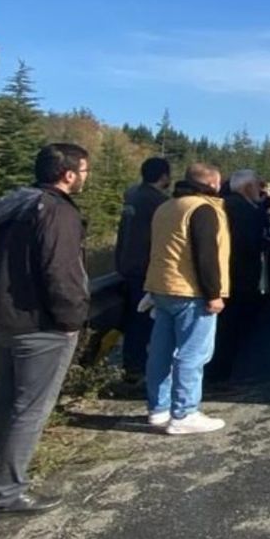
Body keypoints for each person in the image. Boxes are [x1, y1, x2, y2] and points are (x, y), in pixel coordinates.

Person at [0, 144, 91, 521]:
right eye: (83, 171)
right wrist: (71, 320)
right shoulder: (57, 212)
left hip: (1, 321)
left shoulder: (12, 208)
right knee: (30, 411)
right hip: (41, 325)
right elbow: (60, 272)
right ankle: (6, 494)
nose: (84, 177)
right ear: (68, 174)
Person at [143, 163, 230, 435]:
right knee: (193, 353)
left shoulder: (167, 207)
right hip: (190, 291)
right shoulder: (202, 209)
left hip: (162, 287)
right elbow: (207, 256)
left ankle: (159, 408)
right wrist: (213, 294)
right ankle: (185, 413)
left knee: (161, 352)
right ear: (212, 183)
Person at [205, 170, 267, 387]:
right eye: (257, 185)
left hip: (222, 275)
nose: (260, 189)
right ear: (246, 187)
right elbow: (249, 244)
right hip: (238, 276)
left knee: (220, 327)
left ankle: (214, 371)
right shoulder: (244, 210)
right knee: (230, 328)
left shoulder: (220, 204)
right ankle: (220, 375)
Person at [113, 157, 171, 383]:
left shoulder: (133, 196)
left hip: (128, 265)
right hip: (147, 268)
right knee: (144, 321)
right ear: (163, 176)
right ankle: (138, 368)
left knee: (133, 319)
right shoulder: (158, 202)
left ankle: (131, 364)